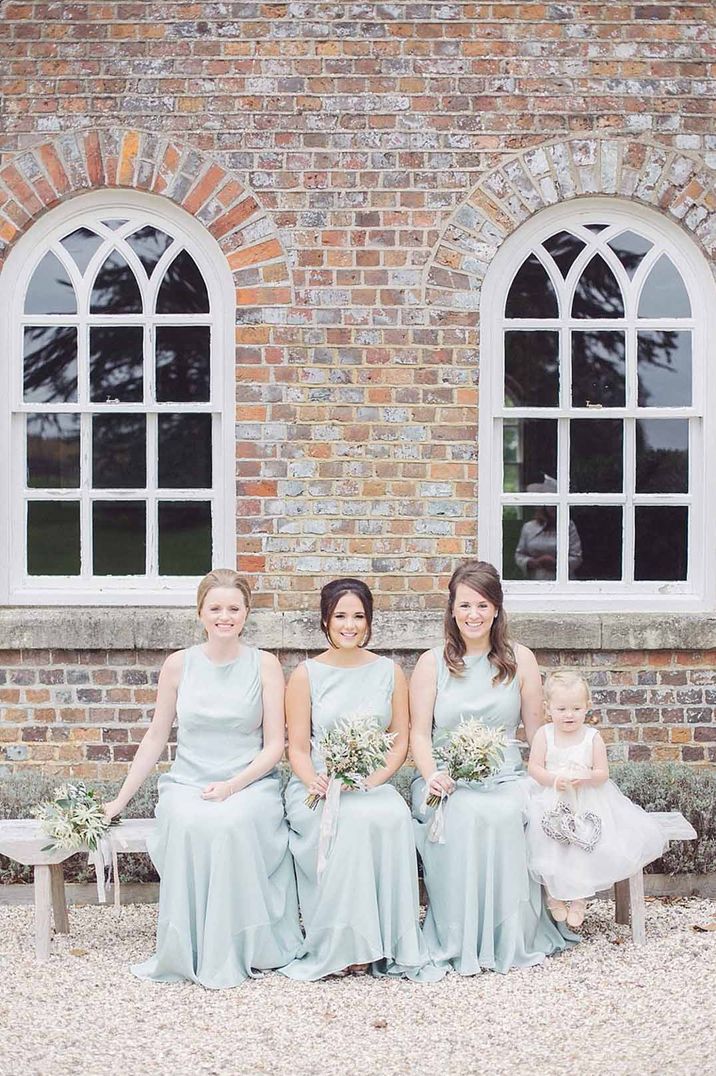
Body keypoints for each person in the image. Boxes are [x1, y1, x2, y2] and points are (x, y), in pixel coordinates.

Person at [103, 568, 302, 988]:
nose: (224, 616)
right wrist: (119, 801)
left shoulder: (265, 665)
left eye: (233, 608)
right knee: (192, 822)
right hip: (189, 782)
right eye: (215, 608)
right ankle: (189, 948)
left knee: (229, 823)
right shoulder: (179, 665)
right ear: (200, 613)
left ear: (247, 613)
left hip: (249, 783)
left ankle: (237, 945)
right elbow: (157, 737)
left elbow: (274, 747)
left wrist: (233, 786)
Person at [410, 559, 575, 974]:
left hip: (507, 776)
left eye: (482, 605)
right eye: (465, 605)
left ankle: (510, 936)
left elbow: (538, 732)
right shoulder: (432, 663)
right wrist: (431, 775)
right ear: (451, 609)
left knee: (505, 814)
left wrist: (551, 778)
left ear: (497, 609)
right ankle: (459, 935)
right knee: (463, 814)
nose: (473, 615)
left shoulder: (521, 660)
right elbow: (419, 735)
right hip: (447, 778)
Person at [279, 578, 443, 981]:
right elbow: (297, 747)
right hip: (318, 786)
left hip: (371, 784)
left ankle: (383, 943)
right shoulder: (306, 675)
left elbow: (400, 740)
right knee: (347, 825)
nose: (349, 625)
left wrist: (372, 780)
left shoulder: (389, 672)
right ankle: (342, 944)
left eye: (358, 616)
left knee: (390, 816)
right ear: (325, 620)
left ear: (369, 621)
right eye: (340, 616)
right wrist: (314, 779)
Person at [525, 669, 668, 928]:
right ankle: (554, 897)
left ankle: (580, 900)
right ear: (548, 709)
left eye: (576, 709)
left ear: (587, 707)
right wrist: (555, 780)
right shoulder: (544, 735)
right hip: (551, 798)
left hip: (587, 801)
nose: (569, 715)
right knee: (547, 845)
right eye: (562, 709)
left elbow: (603, 773)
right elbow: (534, 768)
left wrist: (588, 777)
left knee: (582, 847)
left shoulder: (592, 737)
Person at [515, 476, 583, 580]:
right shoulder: (529, 527)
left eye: (555, 505)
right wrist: (534, 563)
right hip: (536, 581)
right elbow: (519, 555)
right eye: (550, 504)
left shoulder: (568, 526)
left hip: (563, 581)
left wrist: (555, 563)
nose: (553, 509)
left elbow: (576, 557)